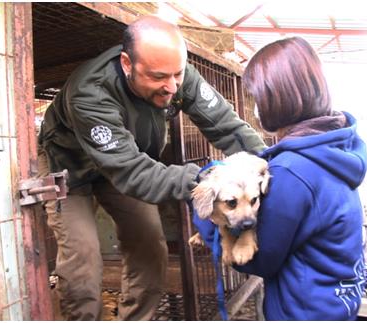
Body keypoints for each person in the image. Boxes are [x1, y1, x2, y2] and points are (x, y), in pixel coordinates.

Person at [37, 15, 266, 320]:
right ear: (127, 64)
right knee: (83, 260)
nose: (171, 87)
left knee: (150, 247)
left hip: (127, 158)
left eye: (177, 75)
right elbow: (132, 173)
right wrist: (203, 182)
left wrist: (271, 161)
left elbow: (227, 126)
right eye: (159, 77)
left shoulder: (176, 75)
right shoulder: (90, 93)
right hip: (71, 168)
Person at [231, 37, 367, 320]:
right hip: (336, 303)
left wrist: (209, 215)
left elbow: (259, 259)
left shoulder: (292, 171)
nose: (256, 107)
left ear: (275, 97)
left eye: (257, 98)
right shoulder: (336, 146)